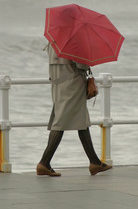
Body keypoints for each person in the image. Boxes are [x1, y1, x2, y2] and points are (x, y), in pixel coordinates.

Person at [36, 43, 112, 177]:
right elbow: (80, 65)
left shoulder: (53, 41)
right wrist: (87, 60)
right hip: (73, 84)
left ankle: (94, 162)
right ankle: (44, 162)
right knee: (60, 123)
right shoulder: (74, 42)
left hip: (58, 84)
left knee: (80, 121)